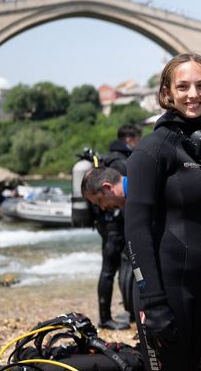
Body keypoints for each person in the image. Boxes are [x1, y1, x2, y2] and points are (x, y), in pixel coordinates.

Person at [125, 53, 201, 371]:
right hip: (168, 293)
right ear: (167, 93)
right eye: (183, 86)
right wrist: (154, 303)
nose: (193, 94)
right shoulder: (151, 151)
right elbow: (136, 231)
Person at [89, 124, 141, 331]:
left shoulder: (106, 159)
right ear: (129, 139)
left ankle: (119, 313)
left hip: (105, 223)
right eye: (137, 139)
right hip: (116, 224)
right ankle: (109, 317)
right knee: (115, 269)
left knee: (113, 269)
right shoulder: (121, 162)